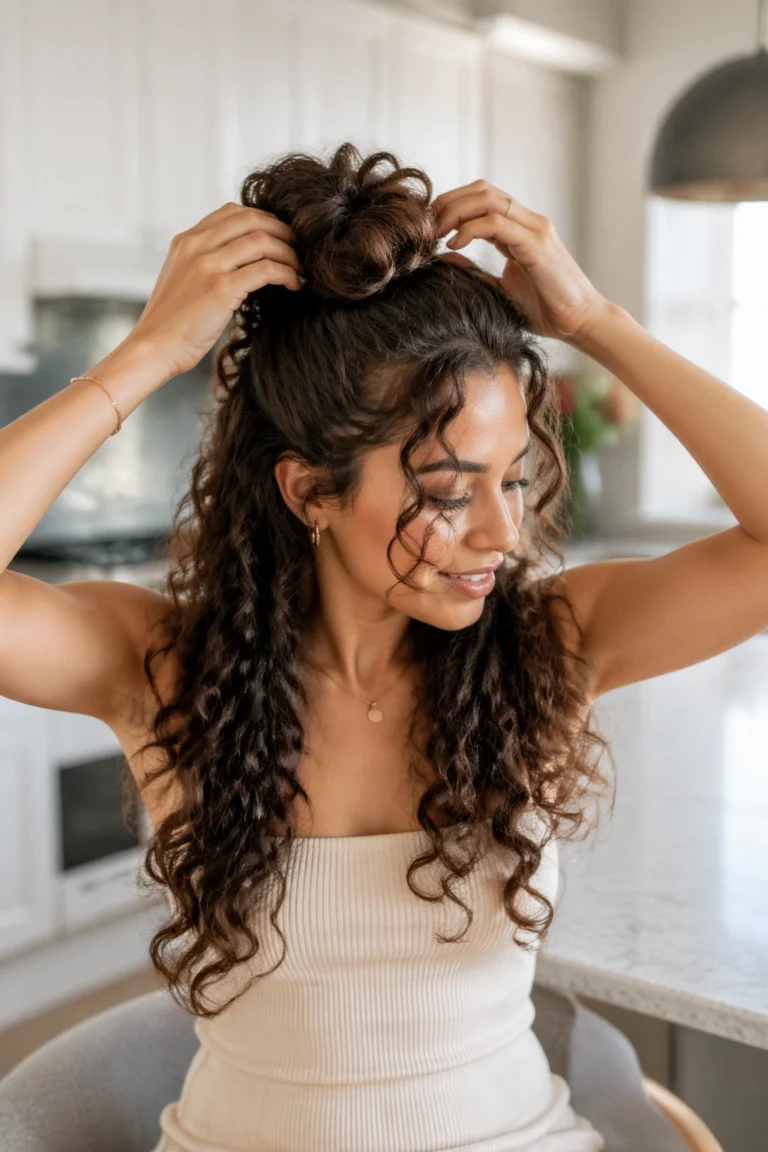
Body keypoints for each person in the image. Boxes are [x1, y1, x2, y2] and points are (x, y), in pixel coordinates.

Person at [2, 140, 766, 1151]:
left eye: (513, 478)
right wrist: (149, 354)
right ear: (310, 490)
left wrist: (597, 324)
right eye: (450, 492)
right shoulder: (164, 669)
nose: (502, 533)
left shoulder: (552, 648)